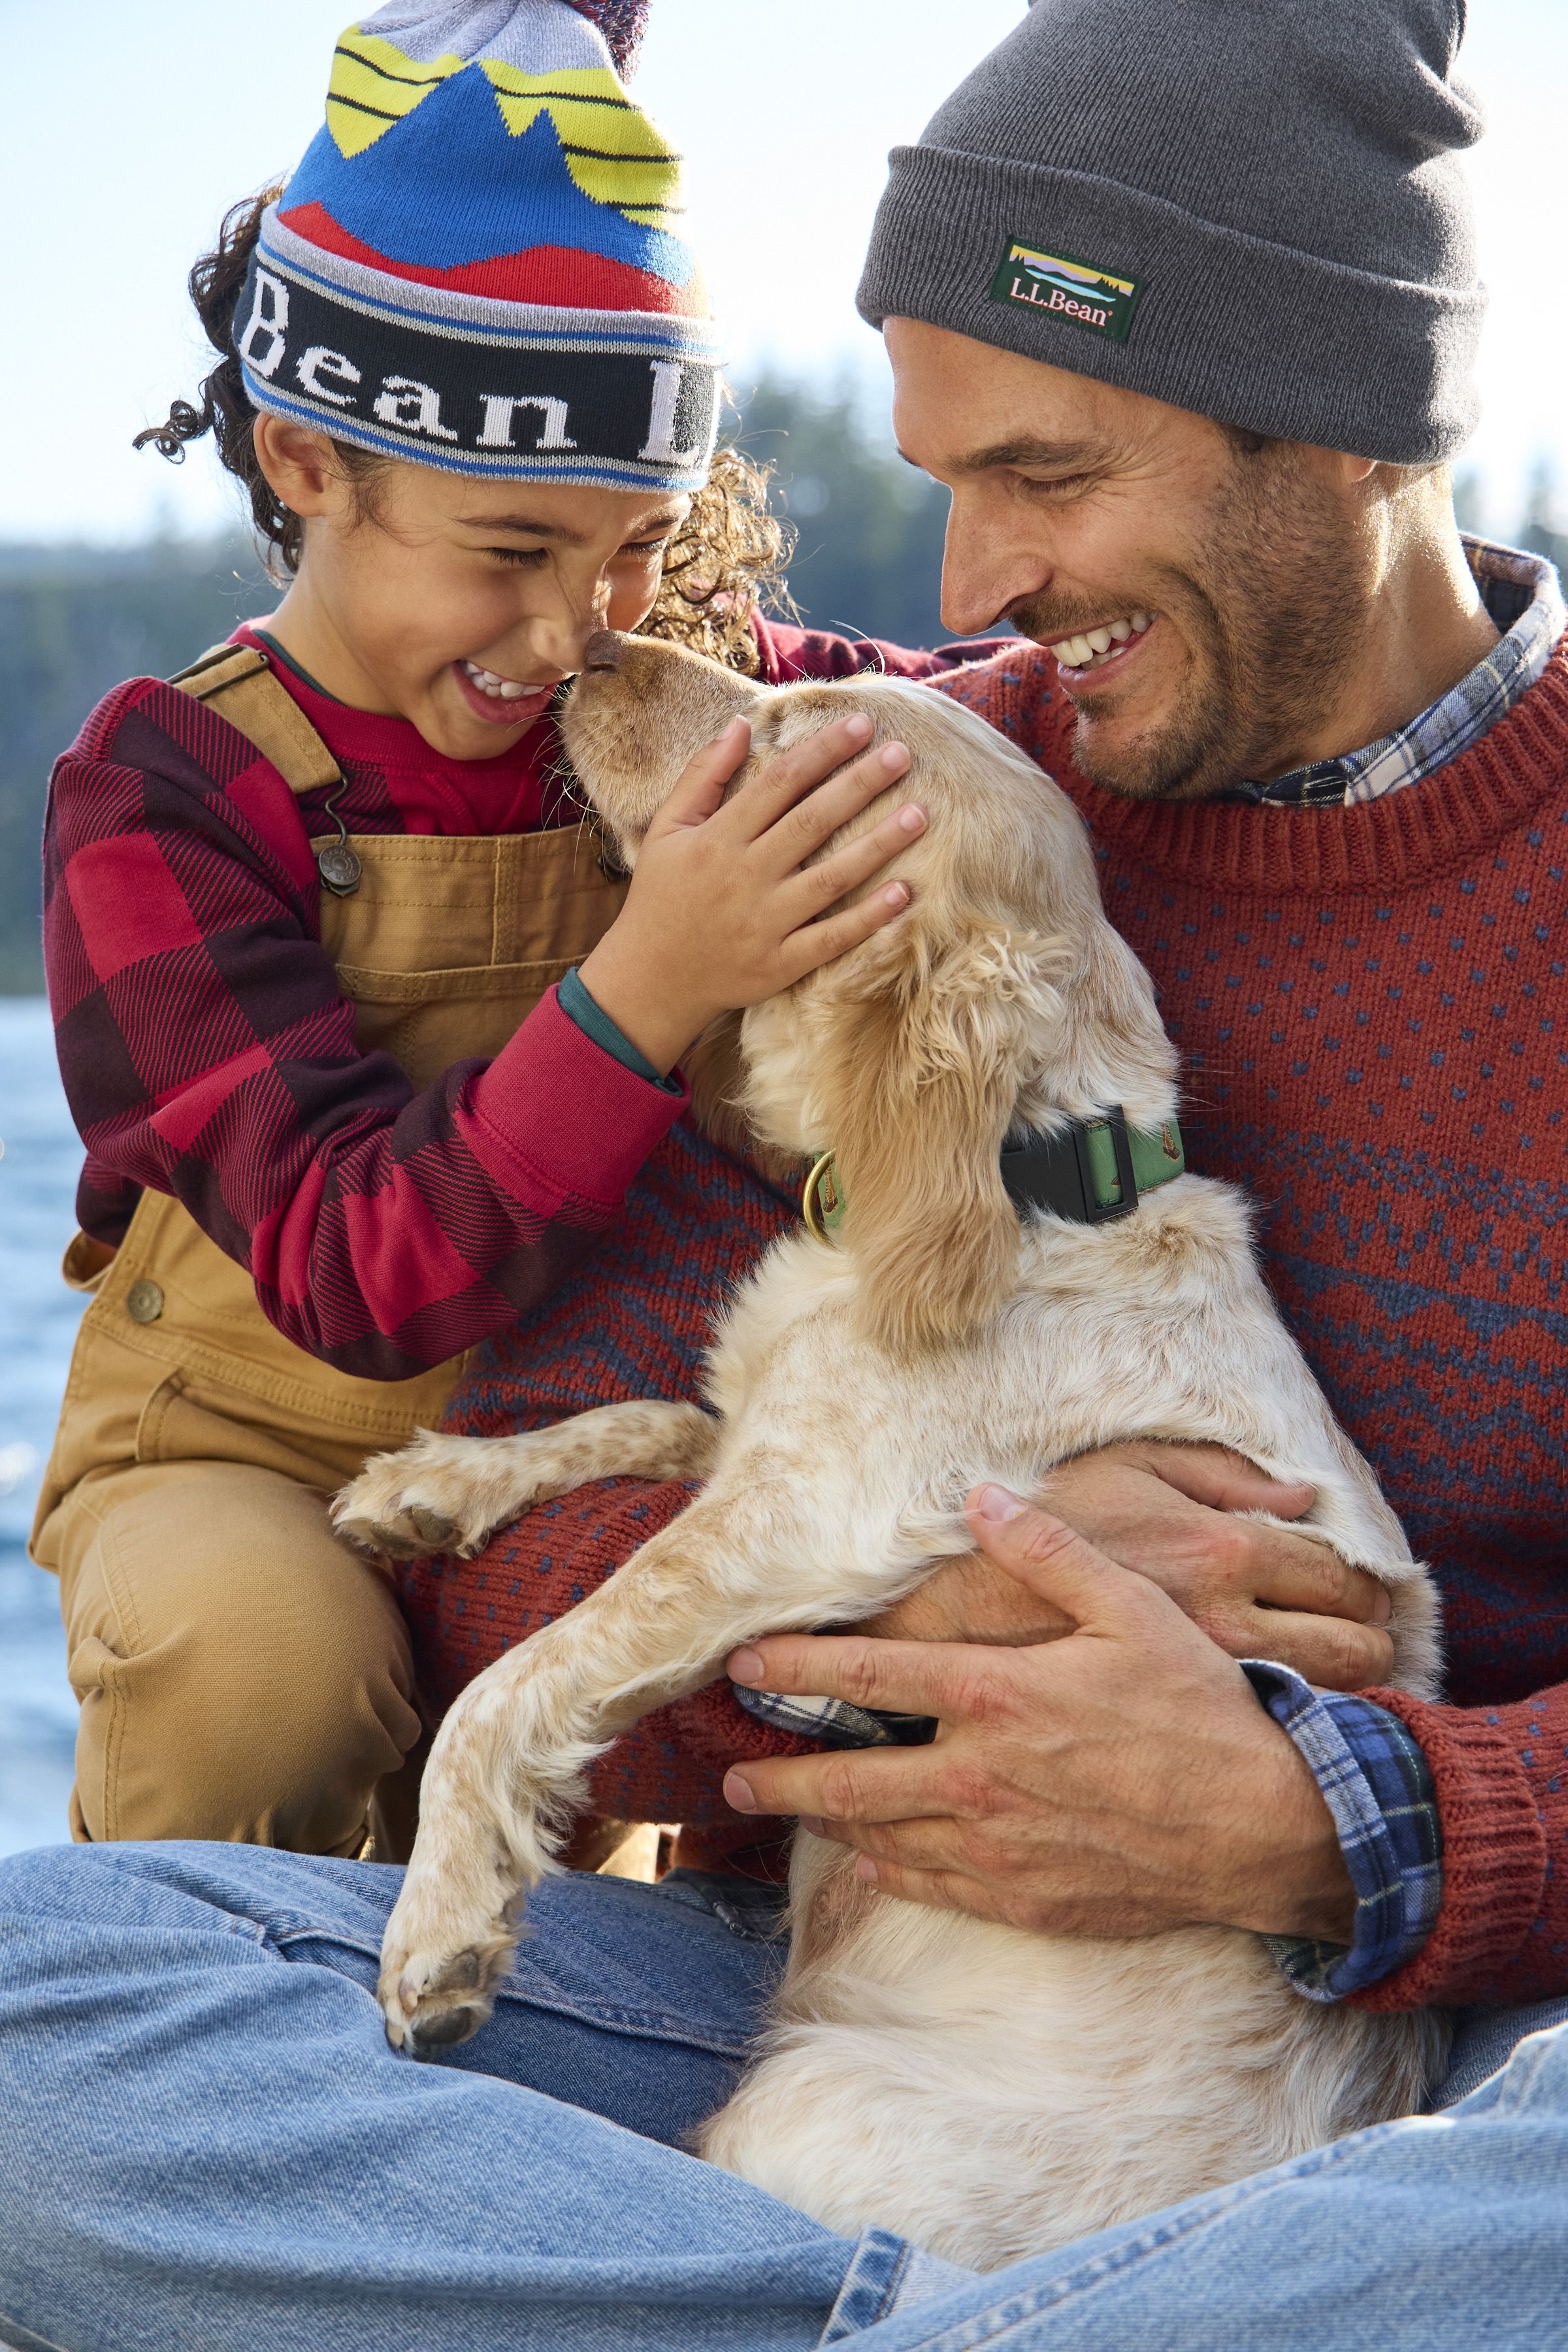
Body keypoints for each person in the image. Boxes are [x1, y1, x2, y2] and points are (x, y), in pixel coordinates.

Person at [3, 0, 1565, 2343]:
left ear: (1340, 419)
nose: (978, 576)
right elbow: (471, 1542)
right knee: (42, 2001)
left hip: (1407, 2050)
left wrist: (1361, 1827)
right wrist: (876, 1635)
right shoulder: (891, 811)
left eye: (1046, 469)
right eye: (942, 473)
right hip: (840, 1997)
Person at [28, 0, 936, 1861]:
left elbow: (988, 721)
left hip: (579, 1435)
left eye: (632, 549)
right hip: (256, 1457)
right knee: (261, 1667)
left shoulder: (663, 696)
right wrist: (653, 976)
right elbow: (359, 1273)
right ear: (303, 463)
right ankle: (175, 2096)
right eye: (508, 551)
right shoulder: (167, 793)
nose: (568, 635)